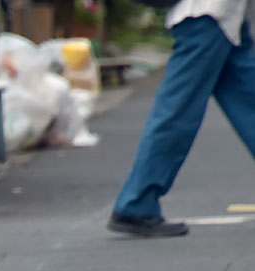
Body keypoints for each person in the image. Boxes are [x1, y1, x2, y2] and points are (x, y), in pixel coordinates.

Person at [108, 0, 255, 237]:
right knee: (178, 110)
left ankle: (137, 202)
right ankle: (137, 202)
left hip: (224, 19)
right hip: (210, 17)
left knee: (248, 101)